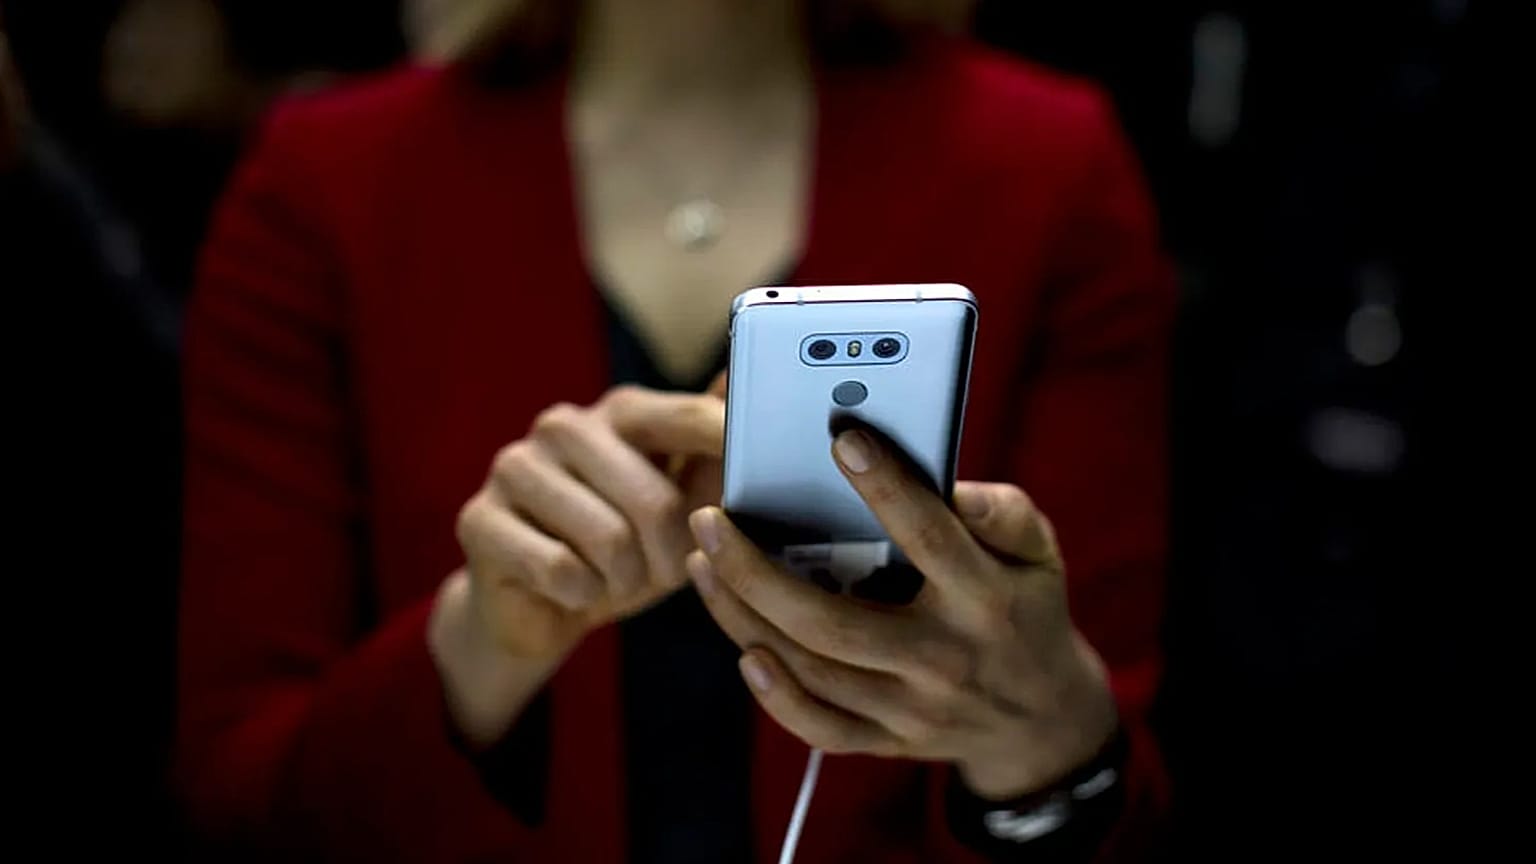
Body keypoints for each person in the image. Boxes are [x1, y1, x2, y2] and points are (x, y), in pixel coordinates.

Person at [175, 0, 1174, 861]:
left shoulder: (1049, 169)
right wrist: (482, 640)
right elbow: (236, 799)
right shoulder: (324, 185)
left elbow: (1121, 784)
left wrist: (1044, 743)